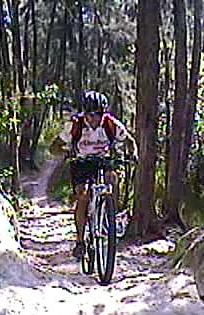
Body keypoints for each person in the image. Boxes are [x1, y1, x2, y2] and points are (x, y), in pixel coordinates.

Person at [50, 90, 138, 260]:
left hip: (102, 160)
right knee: (82, 196)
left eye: (98, 114)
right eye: (90, 115)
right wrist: (66, 152)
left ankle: (110, 214)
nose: (94, 119)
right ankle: (80, 241)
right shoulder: (74, 126)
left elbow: (129, 140)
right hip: (81, 162)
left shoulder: (111, 124)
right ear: (85, 113)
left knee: (112, 178)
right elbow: (53, 147)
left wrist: (133, 154)